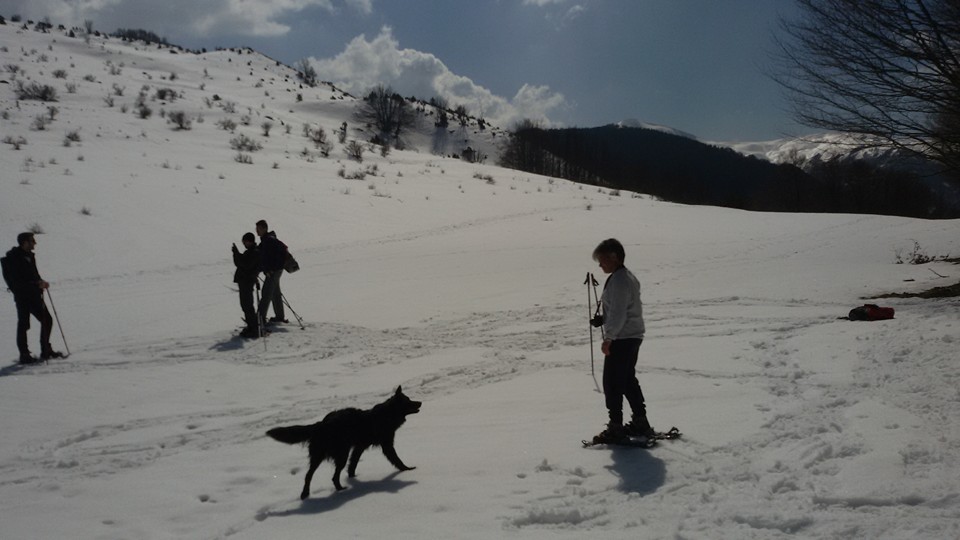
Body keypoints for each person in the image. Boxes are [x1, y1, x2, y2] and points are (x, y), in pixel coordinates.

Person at [591, 238, 656, 442]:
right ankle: (640, 422)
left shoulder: (620, 280)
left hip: (623, 337)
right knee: (627, 380)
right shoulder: (625, 276)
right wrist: (604, 319)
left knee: (612, 382)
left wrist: (609, 338)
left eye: (602, 260)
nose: (600, 265)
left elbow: (619, 313)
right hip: (631, 335)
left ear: (614, 258)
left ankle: (616, 427)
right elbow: (624, 308)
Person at [2, 233, 64, 364]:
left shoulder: (29, 256)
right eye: (32, 241)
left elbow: (33, 275)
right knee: (24, 324)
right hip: (23, 296)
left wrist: (41, 281)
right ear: (24, 242)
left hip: (34, 294)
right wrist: (37, 284)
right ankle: (25, 355)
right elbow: (17, 281)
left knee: (46, 320)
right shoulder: (14, 258)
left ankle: (45, 350)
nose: (34, 243)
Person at [256, 220, 286, 326]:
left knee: (266, 292)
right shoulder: (266, 240)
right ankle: (279, 317)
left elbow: (276, 257)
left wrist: (270, 270)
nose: (257, 231)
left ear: (264, 229)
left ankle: (260, 318)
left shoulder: (269, 240)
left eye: (258, 229)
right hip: (275, 270)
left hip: (274, 271)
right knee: (275, 293)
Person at [232, 232, 260, 339]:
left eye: (245, 241)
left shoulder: (254, 252)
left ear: (250, 241)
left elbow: (244, 264)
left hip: (247, 282)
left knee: (247, 305)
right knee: (245, 305)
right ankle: (251, 326)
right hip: (245, 281)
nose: (244, 243)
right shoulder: (250, 252)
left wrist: (236, 253)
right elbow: (241, 262)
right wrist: (236, 253)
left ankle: (253, 329)